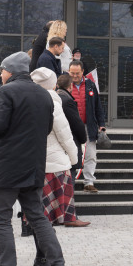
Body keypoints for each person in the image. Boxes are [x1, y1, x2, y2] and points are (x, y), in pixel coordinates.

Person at [0, 51, 72, 266]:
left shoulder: (5, 92)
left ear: (9, 70)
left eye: (1, 70)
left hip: (6, 167)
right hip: (33, 166)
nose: (0, 74)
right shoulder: (44, 95)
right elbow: (44, 129)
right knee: (37, 217)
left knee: (0, 219)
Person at [31, 68, 82, 236]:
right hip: (55, 161)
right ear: (52, 84)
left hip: (34, 159)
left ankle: (32, 222)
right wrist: (74, 158)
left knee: (38, 199)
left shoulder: (27, 99)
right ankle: (66, 217)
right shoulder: (53, 101)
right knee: (60, 191)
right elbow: (64, 134)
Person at [68, 60, 106, 194]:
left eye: (77, 73)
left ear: (82, 71)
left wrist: (101, 125)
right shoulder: (64, 84)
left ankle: (89, 183)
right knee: (70, 155)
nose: (74, 76)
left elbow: (98, 107)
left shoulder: (90, 85)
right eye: (72, 73)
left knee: (90, 155)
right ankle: (69, 183)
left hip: (88, 126)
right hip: (70, 128)